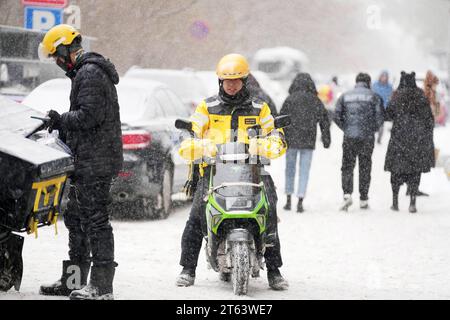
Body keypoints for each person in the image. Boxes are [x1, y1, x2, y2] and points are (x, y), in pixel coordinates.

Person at [175, 53, 289, 291]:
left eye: (236, 80)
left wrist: (268, 144)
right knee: (197, 215)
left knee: (269, 212)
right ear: (220, 82)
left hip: (253, 172)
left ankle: (274, 271)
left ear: (245, 81)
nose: (231, 84)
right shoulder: (208, 107)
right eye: (227, 81)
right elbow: (190, 131)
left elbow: (276, 134)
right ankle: (187, 269)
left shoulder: (260, 108)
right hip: (215, 172)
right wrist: (194, 144)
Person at [37, 24, 123, 300]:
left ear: (65, 51)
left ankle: (101, 286)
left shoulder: (89, 73)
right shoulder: (85, 73)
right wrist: (62, 126)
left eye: (56, 56)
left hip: (97, 161)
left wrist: (60, 119)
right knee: (76, 218)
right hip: (88, 158)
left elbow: (89, 117)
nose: (57, 63)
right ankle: (73, 281)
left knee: (96, 221)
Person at [280, 73, 331, 213]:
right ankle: (300, 200)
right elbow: (325, 120)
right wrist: (326, 139)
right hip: (308, 141)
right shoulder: (315, 100)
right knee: (304, 171)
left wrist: (279, 137)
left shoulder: (290, 99)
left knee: (289, 170)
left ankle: (288, 199)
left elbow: (280, 119)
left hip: (291, 141)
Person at [385, 72, 435, 213]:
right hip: (416, 139)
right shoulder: (421, 96)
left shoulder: (396, 96)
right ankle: (412, 202)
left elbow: (387, 115)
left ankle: (395, 202)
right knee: (414, 170)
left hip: (399, 138)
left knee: (395, 170)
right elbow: (429, 120)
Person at [333, 73, 384, 211]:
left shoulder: (345, 96)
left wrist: (347, 128)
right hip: (367, 138)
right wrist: (371, 129)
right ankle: (363, 199)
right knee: (365, 167)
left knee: (347, 166)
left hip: (349, 137)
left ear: (356, 82)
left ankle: (347, 194)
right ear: (368, 82)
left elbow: (336, 116)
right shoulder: (374, 96)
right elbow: (380, 118)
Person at [372, 70, 393, 144]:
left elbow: (390, 97)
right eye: (383, 76)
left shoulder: (389, 87)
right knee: (372, 124)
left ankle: (379, 139)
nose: (384, 78)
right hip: (374, 107)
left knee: (381, 125)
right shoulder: (374, 85)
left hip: (383, 108)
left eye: (385, 76)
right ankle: (372, 138)